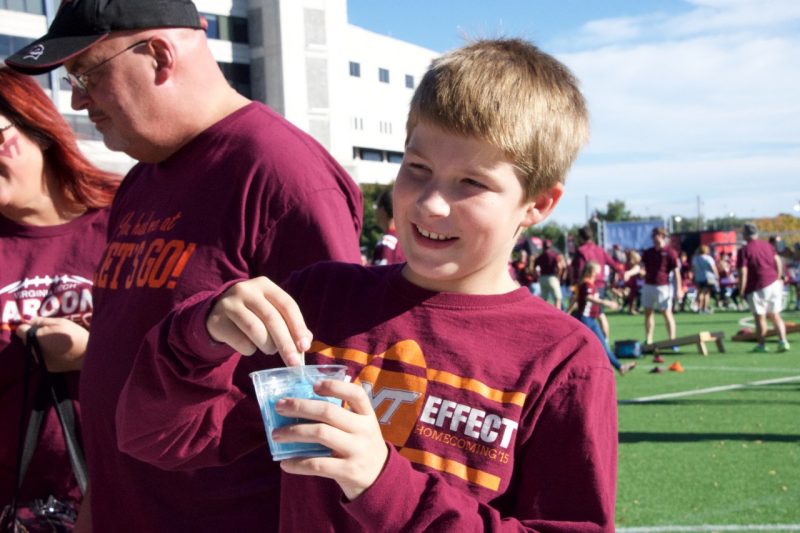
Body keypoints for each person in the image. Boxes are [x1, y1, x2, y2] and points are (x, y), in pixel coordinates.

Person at [110, 38, 617, 531]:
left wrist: (381, 483)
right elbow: (155, 436)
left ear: (539, 204)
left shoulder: (564, 359)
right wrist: (198, 335)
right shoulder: (319, 300)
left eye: (472, 183)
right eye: (417, 168)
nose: (430, 203)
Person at [6, 1, 363, 531]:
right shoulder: (140, 181)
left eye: (86, 74)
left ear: (158, 55)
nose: (77, 99)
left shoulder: (281, 174)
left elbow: (332, 389)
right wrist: (97, 502)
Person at [0, 67, 119, 525]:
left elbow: (183, 350)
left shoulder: (131, 218)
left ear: (40, 130)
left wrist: (92, 353)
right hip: (17, 509)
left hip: (127, 493)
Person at [573, 262, 637, 375]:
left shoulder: (591, 284)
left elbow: (576, 300)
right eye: (596, 271)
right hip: (586, 319)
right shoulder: (587, 285)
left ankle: (615, 366)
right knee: (601, 345)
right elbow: (588, 298)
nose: (598, 273)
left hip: (590, 319)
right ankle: (618, 366)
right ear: (591, 271)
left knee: (596, 345)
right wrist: (605, 302)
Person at [737, 223, 789, 352]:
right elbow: (777, 260)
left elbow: (743, 272)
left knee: (760, 317)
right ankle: (783, 341)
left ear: (745, 235)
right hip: (774, 283)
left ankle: (762, 344)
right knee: (775, 315)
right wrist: (778, 276)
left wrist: (741, 289)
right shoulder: (767, 245)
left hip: (757, 285)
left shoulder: (744, 250)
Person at [570, 225, 624, 339]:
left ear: (580, 237)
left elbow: (578, 270)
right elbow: (614, 265)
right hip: (600, 286)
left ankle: (599, 345)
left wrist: (575, 287)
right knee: (601, 315)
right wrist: (617, 279)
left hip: (587, 285)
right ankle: (606, 341)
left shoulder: (581, 251)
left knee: (584, 315)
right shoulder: (600, 249)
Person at [640, 227, 682, 346]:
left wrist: (679, 289)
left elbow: (677, 272)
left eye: (656, 235)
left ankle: (672, 340)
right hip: (648, 285)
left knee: (666, 313)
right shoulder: (648, 252)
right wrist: (641, 272)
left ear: (662, 236)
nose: (654, 238)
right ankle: (649, 339)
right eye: (653, 236)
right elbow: (641, 267)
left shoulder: (670, 252)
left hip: (663, 286)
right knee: (648, 313)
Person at [371, 184, 405, 265]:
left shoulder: (387, 242)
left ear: (382, 210)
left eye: (376, 207)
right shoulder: (407, 241)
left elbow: (380, 276)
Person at [535, 239, 563, 309]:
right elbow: (559, 267)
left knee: (544, 300)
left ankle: (545, 316)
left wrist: (537, 276)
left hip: (542, 277)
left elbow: (534, 268)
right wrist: (558, 277)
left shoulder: (540, 256)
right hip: (552, 277)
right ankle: (558, 316)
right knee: (557, 298)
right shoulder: (554, 255)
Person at [692, 244, 719, 314]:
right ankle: (705, 307)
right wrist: (716, 275)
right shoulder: (708, 258)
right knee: (706, 293)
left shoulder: (695, 258)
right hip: (708, 277)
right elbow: (713, 268)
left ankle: (699, 307)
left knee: (700, 292)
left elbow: (693, 268)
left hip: (698, 277)